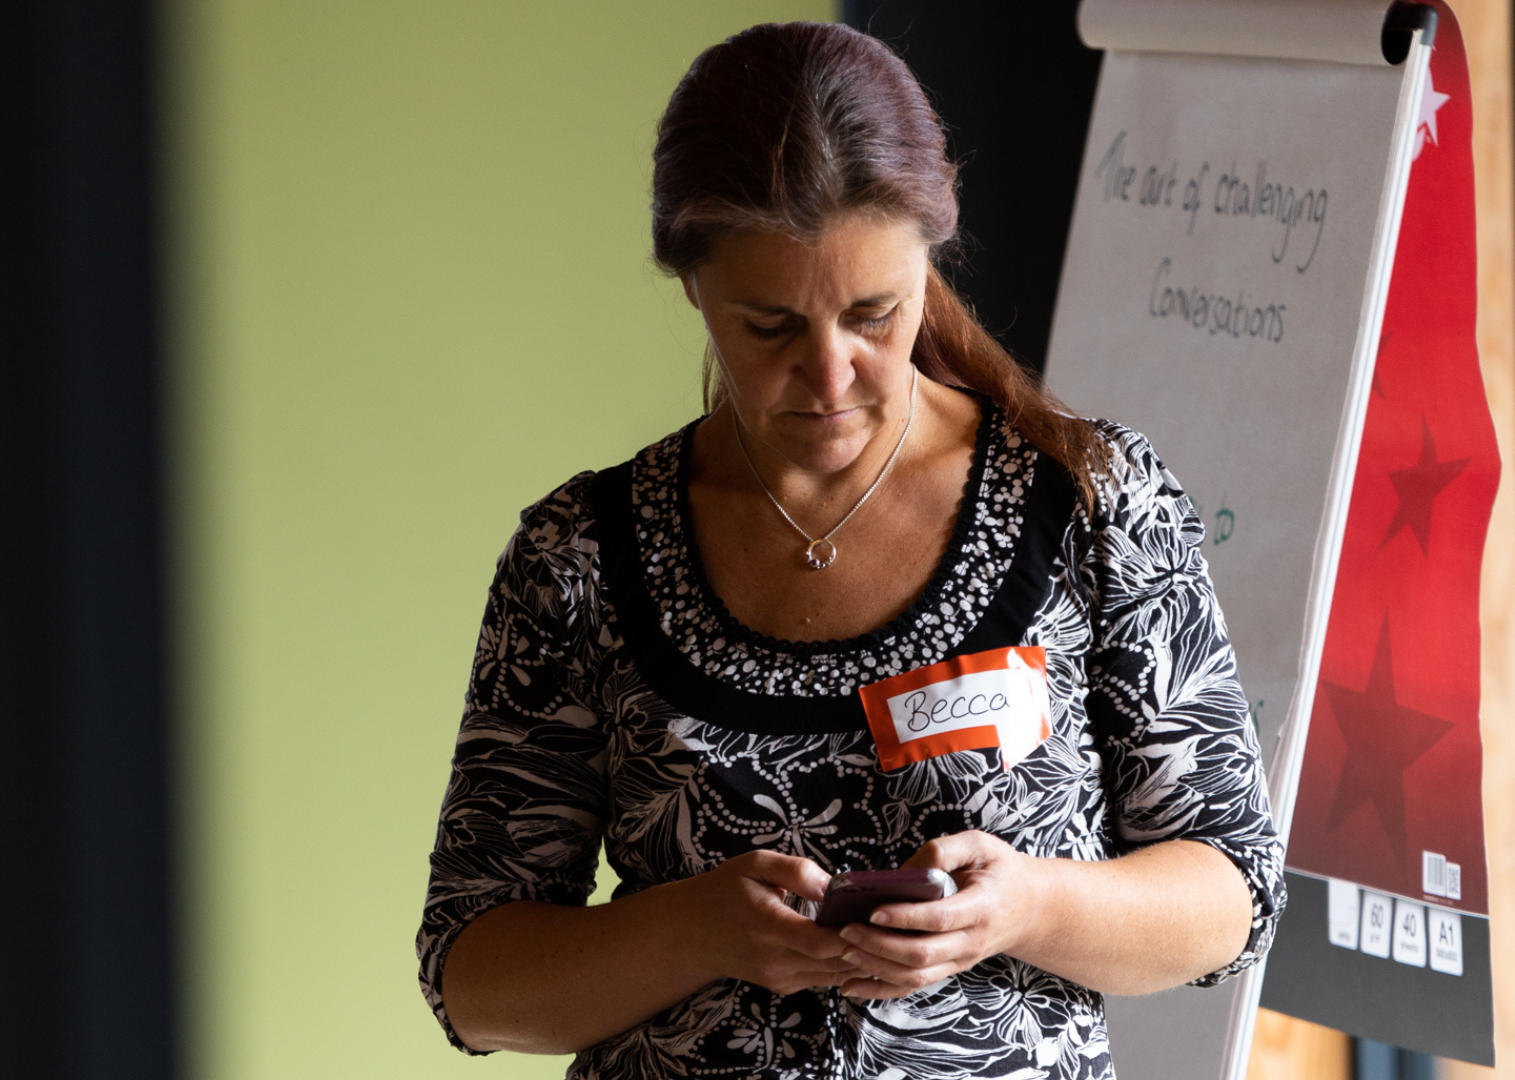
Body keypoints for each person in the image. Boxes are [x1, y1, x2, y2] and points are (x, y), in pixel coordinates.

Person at [416, 20, 1283, 1080]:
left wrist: (1025, 906)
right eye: (770, 327)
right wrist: (698, 929)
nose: (831, 378)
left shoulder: (1092, 504)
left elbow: (1232, 890)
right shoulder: (582, 558)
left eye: (875, 315)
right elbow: (475, 974)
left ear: (931, 258)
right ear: (692, 286)